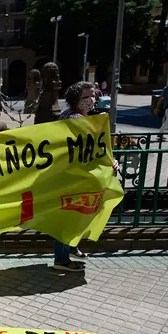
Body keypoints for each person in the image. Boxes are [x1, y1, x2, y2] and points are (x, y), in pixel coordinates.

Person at [56, 81, 120, 272]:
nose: (92, 99)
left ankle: (71, 247)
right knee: (69, 218)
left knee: (76, 215)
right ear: (76, 99)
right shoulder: (74, 120)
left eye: (94, 95)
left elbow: (96, 150)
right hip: (72, 180)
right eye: (87, 96)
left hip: (77, 179)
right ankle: (62, 258)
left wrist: (110, 160)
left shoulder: (83, 118)